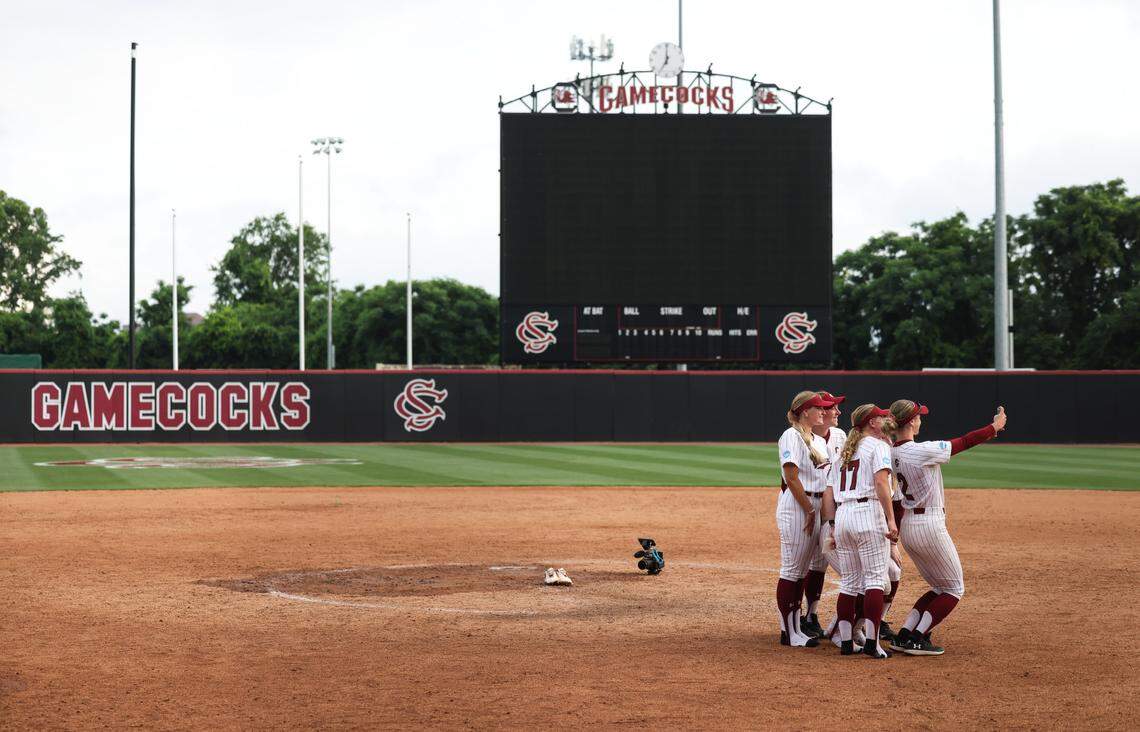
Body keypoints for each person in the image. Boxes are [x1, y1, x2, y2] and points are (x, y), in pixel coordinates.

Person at [887, 400, 1007, 656]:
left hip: (909, 525)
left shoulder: (891, 452)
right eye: (919, 417)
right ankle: (918, 638)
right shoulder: (920, 450)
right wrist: (994, 427)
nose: (921, 420)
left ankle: (905, 634)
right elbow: (963, 442)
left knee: (940, 587)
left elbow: (896, 499)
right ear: (910, 422)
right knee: (953, 589)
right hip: (929, 524)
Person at [820, 403, 898, 658]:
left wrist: (832, 526)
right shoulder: (879, 447)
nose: (885, 420)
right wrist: (891, 520)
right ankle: (872, 644)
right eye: (881, 417)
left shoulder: (843, 450)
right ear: (871, 423)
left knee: (850, 582)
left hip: (843, 515)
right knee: (875, 580)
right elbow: (880, 483)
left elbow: (829, 493)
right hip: (868, 513)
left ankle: (845, 642)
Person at [775, 391, 834, 647]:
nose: (823, 411)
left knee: (801, 572)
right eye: (818, 408)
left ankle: (797, 627)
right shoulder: (791, 435)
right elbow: (791, 477)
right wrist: (810, 510)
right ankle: (789, 632)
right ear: (803, 411)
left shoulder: (818, 441)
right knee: (792, 570)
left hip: (816, 504)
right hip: (799, 506)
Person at [800, 390, 846, 640]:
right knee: (803, 560)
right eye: (833, 407)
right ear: (820, 411)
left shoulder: (839, 435)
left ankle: (812, 614)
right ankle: (797, 614)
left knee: (821, 562)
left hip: (831, 504)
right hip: (808, 503)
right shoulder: (801, 436)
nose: (837, 412)